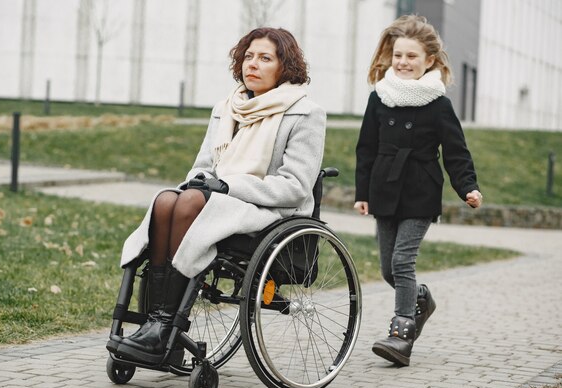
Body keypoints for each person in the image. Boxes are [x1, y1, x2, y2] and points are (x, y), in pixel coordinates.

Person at [111, 27, 326, 362]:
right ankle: (156, 322)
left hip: (267, 210)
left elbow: (295, 187)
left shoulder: (305, 112)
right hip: (218, 200)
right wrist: (204, 183)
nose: (252, 64)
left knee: (193, 201)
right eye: (249, 56)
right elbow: (203, 167)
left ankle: (165, 326)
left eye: (265, 58)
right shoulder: (227, 108)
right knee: (167, 199)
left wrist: (228, 186)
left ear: (285, 66)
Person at [354, 15, 482, 367]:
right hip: (384, 189)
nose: (403, 62)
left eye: (412, 57)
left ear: (429, 61)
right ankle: (419, 300)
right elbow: (365, 148)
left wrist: (467, 187)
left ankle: (401, 333)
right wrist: (361, 191)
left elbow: (456, 151)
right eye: (398, 55)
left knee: (402, 261)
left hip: (420, 191)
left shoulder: (438, 103)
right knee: (386, 270)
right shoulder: (379, 98)